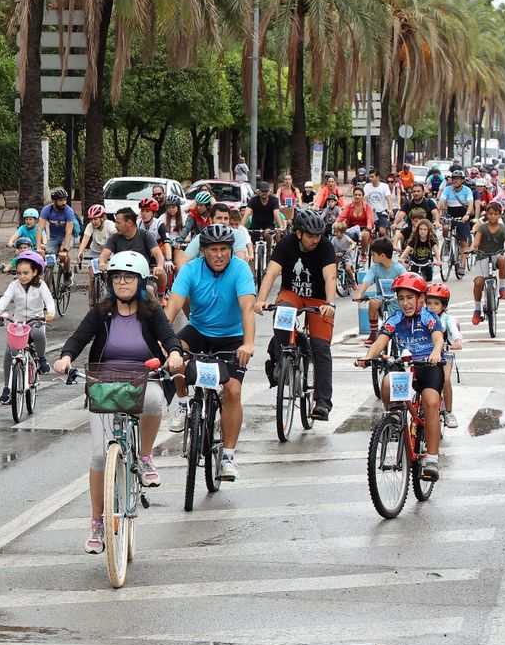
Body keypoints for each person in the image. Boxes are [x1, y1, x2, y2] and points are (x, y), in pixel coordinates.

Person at [54, 252, 184, 553]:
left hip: (143, 378)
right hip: (104, 382)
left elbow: (169, 336)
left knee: (153, 400)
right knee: (99, 457)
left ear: (139, 281)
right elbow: (78, 338)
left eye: (128, 277)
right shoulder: (102, 311)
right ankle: (97, 523)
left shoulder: (151, 310)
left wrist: (174, 353)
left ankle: (145, 457)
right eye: (116, 277)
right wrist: (65, 357)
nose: (121, 282)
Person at [164, 224, 256, 481]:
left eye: (224, 249)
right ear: (203, 251)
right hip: (199, 331)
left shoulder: (240, 269)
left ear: (231, 250)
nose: (219, 255)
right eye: (213, 249)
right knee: (174, 354)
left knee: (233, 390)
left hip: (232, 337)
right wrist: (160, 340)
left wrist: (248, 344)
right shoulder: (190, 270)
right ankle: (183, 405)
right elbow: (172, 308)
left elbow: (248, 308)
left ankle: (227, 455)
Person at [356, 272, 445, 478]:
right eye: (401, 298)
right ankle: (395, 420)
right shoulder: (396, 318)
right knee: (387, 383)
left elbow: (438, 338)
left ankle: (432, 459)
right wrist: (368, 358)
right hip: (406, 367)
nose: (405, 303)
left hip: (428, 365)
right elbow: (380, 341)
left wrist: (435, 352)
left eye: (410, 298)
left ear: (421, 298)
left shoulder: (428, 316)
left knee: (431, 402)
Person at [256, 208, 338, 420]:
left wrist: (330, 303)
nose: (315, 240)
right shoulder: (286, 244)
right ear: (299, 233)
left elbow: (330, 278)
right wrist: (261, 300)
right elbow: (272, 272)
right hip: (291, 294)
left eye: (318, 235)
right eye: (311, 236)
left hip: (319, 300)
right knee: (282, 316)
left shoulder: (325, 247)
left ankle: (322, 402)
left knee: (321, 348)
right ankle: (279, 359)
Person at [0, 250, 58, 404]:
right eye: (19, 273)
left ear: (35, 272)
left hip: (36, 320)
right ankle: (7, 388)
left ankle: (41, 359)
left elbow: (49, 301)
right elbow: (5, 299)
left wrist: (50, 313)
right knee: (9, 352)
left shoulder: (41, 285)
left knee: (39, 334)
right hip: (19, 323)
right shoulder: (14, 285)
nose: (22, 276)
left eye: (26, 273)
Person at [423, 282, 463, 429]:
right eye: (429, 303)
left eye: (436, 303)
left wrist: (457, 341)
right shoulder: (422, 318)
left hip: (445, 354)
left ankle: (448, 412)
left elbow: (455, 332)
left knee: (445, 379)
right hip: (425, 354)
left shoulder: (447, 319)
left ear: (444, 306)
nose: (432, 307)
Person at [98, 207, 164, 298]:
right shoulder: (114, 238)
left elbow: (158, 254)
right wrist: (102, 263)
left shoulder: (145, 235)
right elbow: (104, 254)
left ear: (129, 223)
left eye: (118, 223)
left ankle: (156, 308)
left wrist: (160, 266)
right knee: (108, 297)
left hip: (142, 276)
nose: (115, 226)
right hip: (120, 276)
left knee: (149, 290)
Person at [467, 201, 505, 326]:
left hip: (495, 256)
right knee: (478, 282)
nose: (493, 216)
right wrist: (472, 248)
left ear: (500, 215)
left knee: (503, 259)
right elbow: (476, 242)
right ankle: (477, 310)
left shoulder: (502, 229)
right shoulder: (482, 227)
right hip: (482, 257)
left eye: (496, 214)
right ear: (487, 214)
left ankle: (502, 288)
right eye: (490, 214)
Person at [355, 238, 405, 344]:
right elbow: (367, 280)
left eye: (373, 254)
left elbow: (407, 281)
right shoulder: (375, 268)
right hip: (381, 300)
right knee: (373, 302)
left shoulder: (399, 269)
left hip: (397, 301)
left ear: (382, 256)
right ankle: (373, 333)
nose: (372, 257)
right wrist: (359, 293)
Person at [438, 170, 478, 264]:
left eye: (458, 179)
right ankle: (447, 243)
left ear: (462, 180)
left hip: (463, 217)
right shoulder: (447, 189)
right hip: (450, 215)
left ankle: (462, 266)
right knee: (445, 227)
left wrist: (467, 215)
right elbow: (441, 202)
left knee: (463, 242)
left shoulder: (467, 190)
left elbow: (470, 204)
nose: (455, 181)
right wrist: (436, 212)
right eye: (454, 179)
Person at [244, 182, 285, 255]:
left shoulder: (274, 200)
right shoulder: (253, 200)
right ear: (258, 191)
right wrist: (241, 227)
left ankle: (269, 252)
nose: (264, 193)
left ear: (269, 191)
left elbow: (276, 213)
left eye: (266, 191)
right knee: (252, 249)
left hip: (268, 225)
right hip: (255, 226)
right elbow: (246, 214)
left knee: (267, 234)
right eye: (263, 191)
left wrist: (281, 226)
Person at [40, 188, 80, 259]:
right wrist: (38, 247)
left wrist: (65, 249)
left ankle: (67, 270)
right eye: (60, 200)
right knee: (49, 257)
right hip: (53, 237)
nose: (64, 202)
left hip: (67, 236)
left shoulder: (69, 211)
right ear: (53, 201)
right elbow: (39, 229)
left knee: (63, 254)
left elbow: (69, 233)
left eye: (65, 200)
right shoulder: (46, 210)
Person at [397, 215, 440, 281]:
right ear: (418, 229)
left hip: (427, 261)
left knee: (428, 279)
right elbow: (408, 249)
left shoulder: (430, 239)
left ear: (428, 230)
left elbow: (436, 250)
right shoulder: (415, 239)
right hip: (415, 261)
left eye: (425, 229)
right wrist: (401, 258)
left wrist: (438, 260)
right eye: (421, 229)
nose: (422, 231)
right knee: (413, 279)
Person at [77, 205, 114, 271]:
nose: (93, 222)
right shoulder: (90, 226)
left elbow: (116, 237)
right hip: (95, 252)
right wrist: (79, 253)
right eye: (91, 219)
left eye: (95, 219)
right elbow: (85, 240)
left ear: (102, 218)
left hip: (108, 252)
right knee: (92, 276)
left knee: (108, 273)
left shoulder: (109, 225)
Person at [363, 169, 395, 235]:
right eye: (369, 177)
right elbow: (364, 199)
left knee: (382, 232)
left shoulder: (384, 186)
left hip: (382, 212)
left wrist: (390, 209)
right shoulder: (367, 186)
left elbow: (389, 199)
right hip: (371, 213)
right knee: (368, 232)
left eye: (372, 177)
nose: (370, 178)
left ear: (377, 177)